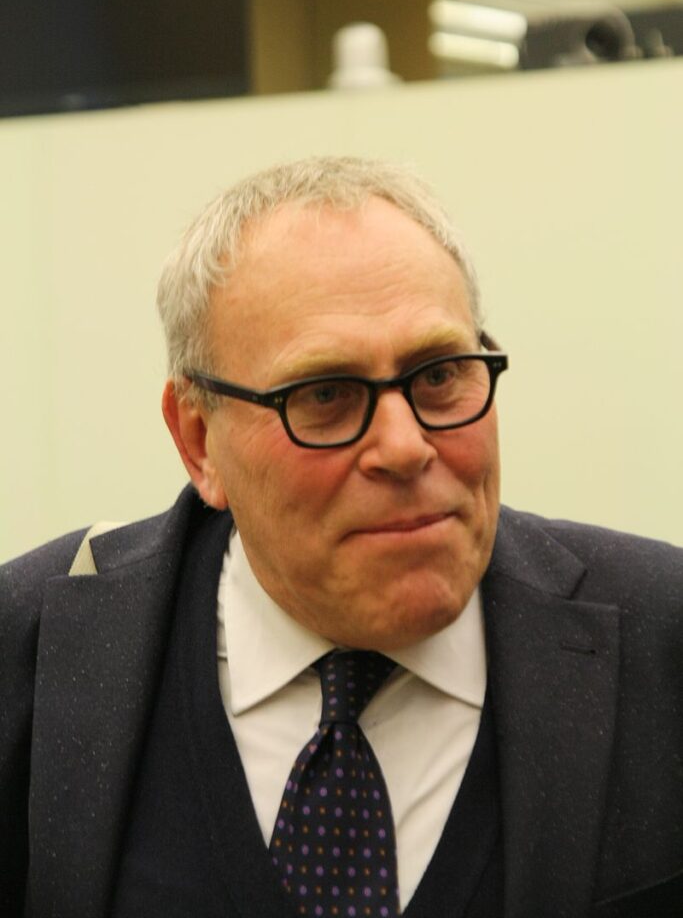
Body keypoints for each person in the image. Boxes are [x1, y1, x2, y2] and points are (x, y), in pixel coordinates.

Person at [1, 156, 681, 918]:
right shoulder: (32, 652)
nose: (404, 447)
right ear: (197, 440)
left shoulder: (662, 636)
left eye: (439, 376)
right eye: (324, 395)